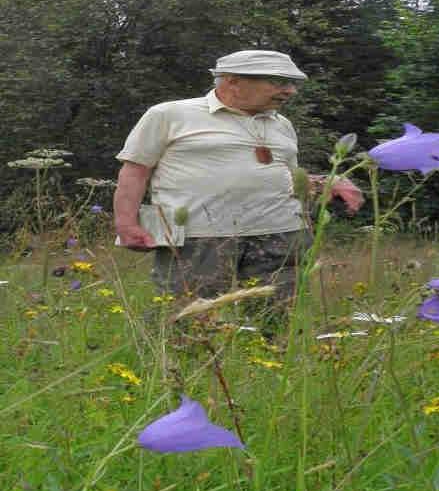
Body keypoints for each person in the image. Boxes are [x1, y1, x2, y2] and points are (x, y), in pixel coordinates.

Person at [114, 50, 320, 327]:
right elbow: (135, 171)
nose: (290, 91)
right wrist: (126, 224)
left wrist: (325, 184)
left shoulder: (282, 124)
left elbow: (288, 174)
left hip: (281, 235)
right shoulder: (169, 114)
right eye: (278, 82)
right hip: (198, 237)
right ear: (233, 81)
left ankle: (266, 367)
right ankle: (178, 369)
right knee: (187, 319)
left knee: (277, 321)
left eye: (292, 83)